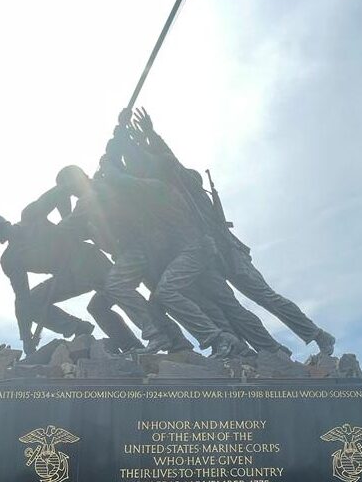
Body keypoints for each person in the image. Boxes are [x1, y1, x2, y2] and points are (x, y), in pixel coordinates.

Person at [127, 107, 335, 355]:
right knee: (229, 305)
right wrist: (137, 140)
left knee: (264, 296)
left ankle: (318, 335)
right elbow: (156, 167)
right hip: (212, 256)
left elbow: (171, 165)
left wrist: (152, 136)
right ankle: (266, 350)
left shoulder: (193, 192)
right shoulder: (179, 197)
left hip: (230, 252)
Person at [54, 162, 241, 358]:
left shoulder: (92, 194)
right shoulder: (93, 194)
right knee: (137, 300)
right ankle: (176, 341)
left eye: (65, 186)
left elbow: (66, 228)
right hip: (135, 250)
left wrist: (59, 204)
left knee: (118, 285)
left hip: (142, 246)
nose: (67, 191)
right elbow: (82, 230)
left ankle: (176, 336)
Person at [0, 191, 157, 355]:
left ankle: (158, 334)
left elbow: (63, 189)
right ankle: (79, 329)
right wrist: (26, 336)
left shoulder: (31, 216)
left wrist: (67, 221)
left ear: (4, 224)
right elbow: (22, 299)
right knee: (33, 302)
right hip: (70, 277)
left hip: (90, 262)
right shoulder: (11, 259)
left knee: (117, 293)